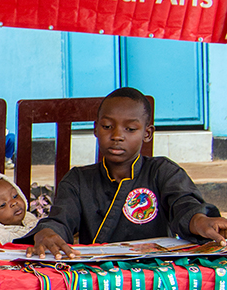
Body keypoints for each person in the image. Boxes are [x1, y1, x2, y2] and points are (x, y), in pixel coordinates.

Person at [29, 86, 227, 256]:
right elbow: (60, 221)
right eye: (107, 126)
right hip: (97, 275)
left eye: (130, 129)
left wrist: (199, 220)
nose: (117, 136)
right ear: (96, 129)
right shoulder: (78, 180)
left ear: (147, 133)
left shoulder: (163, 172)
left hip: (155, 274)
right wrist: (47, 232)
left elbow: (184, 206)